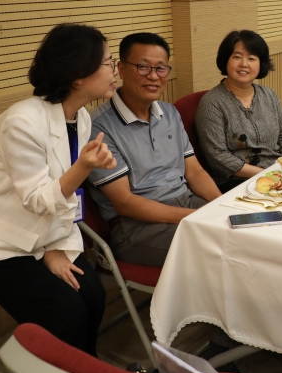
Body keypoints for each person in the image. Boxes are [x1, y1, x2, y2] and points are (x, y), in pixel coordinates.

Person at [0, 24, 117, 356]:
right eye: (108, 62)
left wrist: (54, 248)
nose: (115, 70)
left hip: (40, 233)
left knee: (93, 295)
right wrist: (84, 166)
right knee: (65, 313)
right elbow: (38, 198)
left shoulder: (80, 117)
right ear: (77, 76)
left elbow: (67, 196)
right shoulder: (22, 122)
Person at [87, 33, 222, 268]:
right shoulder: (98, 127)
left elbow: (194, 172)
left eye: (160, 68)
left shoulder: (169, 113)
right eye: (143, 67)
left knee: (244, 229)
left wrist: (222, 207)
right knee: (217, 246)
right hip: (136, 226)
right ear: (121, 69)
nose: (152, 76)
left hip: (186, 203)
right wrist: (194, 219)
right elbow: (125, 203)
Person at [198, 30, 282, 190]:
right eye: (237, 57)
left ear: (260, 64)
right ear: (226, 60)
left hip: (278, 173)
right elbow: (218, 158)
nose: (244, 64)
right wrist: (268, 174)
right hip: (237, 182)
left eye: (251, 58)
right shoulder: (212, 103)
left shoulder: (269, 95)